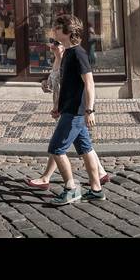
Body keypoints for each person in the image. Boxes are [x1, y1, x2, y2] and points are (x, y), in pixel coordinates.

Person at [27, 38, 112, 191]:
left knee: (58, 146)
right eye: (51, 42)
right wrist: (45, 86)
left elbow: (87, 84)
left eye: (56, 43)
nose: (52, 46)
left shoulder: (74, 56)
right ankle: (98, 180)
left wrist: (89, 110)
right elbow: (55, 86)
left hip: (72, 109)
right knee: (84, 146)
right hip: (65, 107)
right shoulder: (59, 60)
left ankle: (67, 187)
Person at [44, 14, 105, 206]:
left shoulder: (78, 54)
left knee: (56, 148)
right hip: (69, 109)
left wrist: (90, 110)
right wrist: (58, 107)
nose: (54, 29)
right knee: (86, 149)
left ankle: (71, 189)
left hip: (76, 113)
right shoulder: (68, 53)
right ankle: (96, 190)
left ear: (68, 32)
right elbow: (68, 85)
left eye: (57, 27)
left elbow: (90, 83)